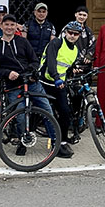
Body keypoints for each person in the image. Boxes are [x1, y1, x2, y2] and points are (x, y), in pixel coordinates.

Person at [0, 14, 61, 158]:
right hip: (13, 85)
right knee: (21, 116)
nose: (9, 27)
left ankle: (56, 143)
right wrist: (8, 73)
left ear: (16, 27)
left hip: (31, 82)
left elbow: (34, 60)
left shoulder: (23, 42)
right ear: (2, 26)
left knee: (46, 110)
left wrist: (30, 71)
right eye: (6, 25)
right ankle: (23, 141)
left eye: (12, 25)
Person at [41, 21, 82, 157]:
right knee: (41, 113)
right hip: (45, 82)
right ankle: (22, 142)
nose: (72, 36)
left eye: (75, 34)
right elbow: (51, 62)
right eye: (70, 32)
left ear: (79, 35)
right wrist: (56, 77)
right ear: (65, 32)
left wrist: (73, 70)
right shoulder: (57, 43)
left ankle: (62, 142)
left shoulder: (75, 50)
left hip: (59, 84)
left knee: (65, 113)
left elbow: (66, 66)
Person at [71, 6, 96, 70]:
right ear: (75, 14)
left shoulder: (88, 31)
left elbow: (93, 45)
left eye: (84, 15)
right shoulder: (68, 29)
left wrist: (89, 55)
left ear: (87, 16)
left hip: (85, 65)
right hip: (71, 64)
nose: (82, 17)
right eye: (80, 14)